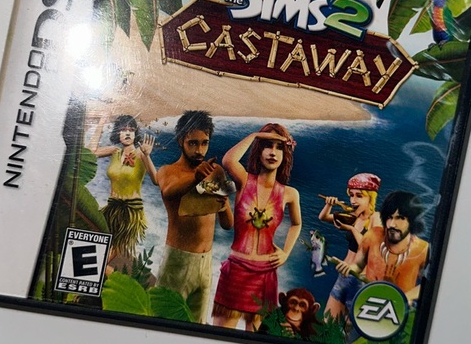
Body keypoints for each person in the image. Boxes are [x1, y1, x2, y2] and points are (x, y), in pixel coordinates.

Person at [212, 123, 302, 332]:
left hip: (265, 276)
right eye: (267, 145)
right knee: (220, 336)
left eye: (279, 147)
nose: (273, 152)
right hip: (235, 273)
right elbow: (228, 160)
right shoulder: (244, 181)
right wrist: (255, 135)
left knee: (256, 339)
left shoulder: (290, 194)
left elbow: (297, 224)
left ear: (285, 154)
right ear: (259, 150)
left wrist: (286, 253)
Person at [156, 110, 233, 324]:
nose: (200, 150)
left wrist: (224, 204)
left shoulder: (216, 171)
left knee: (197, 325)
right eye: (193, 143)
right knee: (164, 321)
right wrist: (195, 177)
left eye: (204, 143)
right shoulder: (167, 171)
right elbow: (168, 191)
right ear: (181, 140)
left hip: (205, 264)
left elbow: (228, 224)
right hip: (177, 262)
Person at [335, 190, 429, 307]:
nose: (392, 224)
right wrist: (348, 268)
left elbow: (431, 282)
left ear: (413, 221)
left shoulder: (422, 249)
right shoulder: (373, 235)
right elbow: (358, 265)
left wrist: (407, 296)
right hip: (366, 304)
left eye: (400, 218)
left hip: (397, 310)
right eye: (389, 217)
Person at [88, 114, 157, 268]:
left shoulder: (141, 154)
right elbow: (91, 151)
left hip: (130, 213)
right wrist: (101, 122)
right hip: (111, 209)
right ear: (117, 133)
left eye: (131, 130)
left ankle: (97, 272)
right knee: (96, 247)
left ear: (135, 134)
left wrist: (147, 155)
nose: (127, 133)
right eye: (123, 130)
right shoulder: (115, 151)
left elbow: (156, 180)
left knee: (104, 259)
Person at [318, 173, 381, 321]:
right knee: (328, 322)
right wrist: (329, 204)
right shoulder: (353, 216)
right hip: (344, 275)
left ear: (370, 198)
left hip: (361, 280)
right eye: (351, 195)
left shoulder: (376, 218)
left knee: (348, 327)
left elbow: (370, 249)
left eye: (359, 196)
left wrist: (351, 229)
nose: (353, 200)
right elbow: (323, 217)